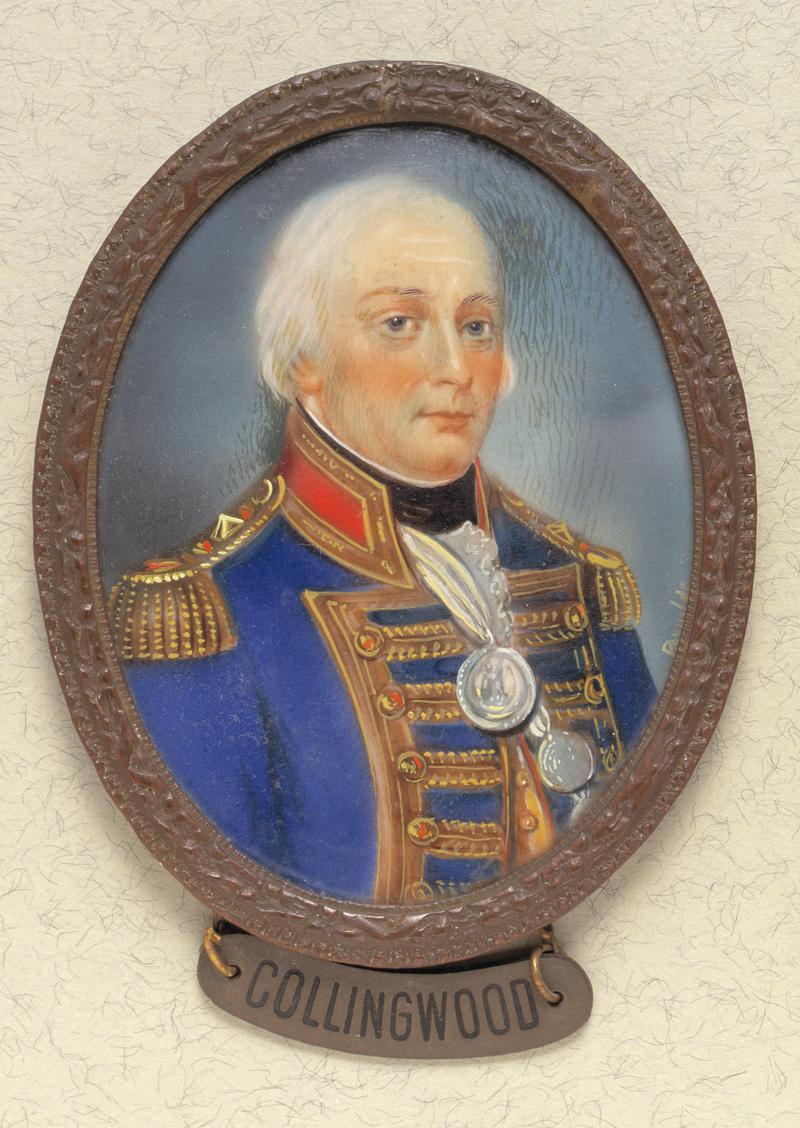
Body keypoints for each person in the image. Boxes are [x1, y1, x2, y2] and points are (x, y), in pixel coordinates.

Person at [110, 175, 656, 903]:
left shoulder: (579, 578)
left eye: (476, 327)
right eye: (400, 323)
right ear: (302, 360)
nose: (456, 370)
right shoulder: (215, 610)